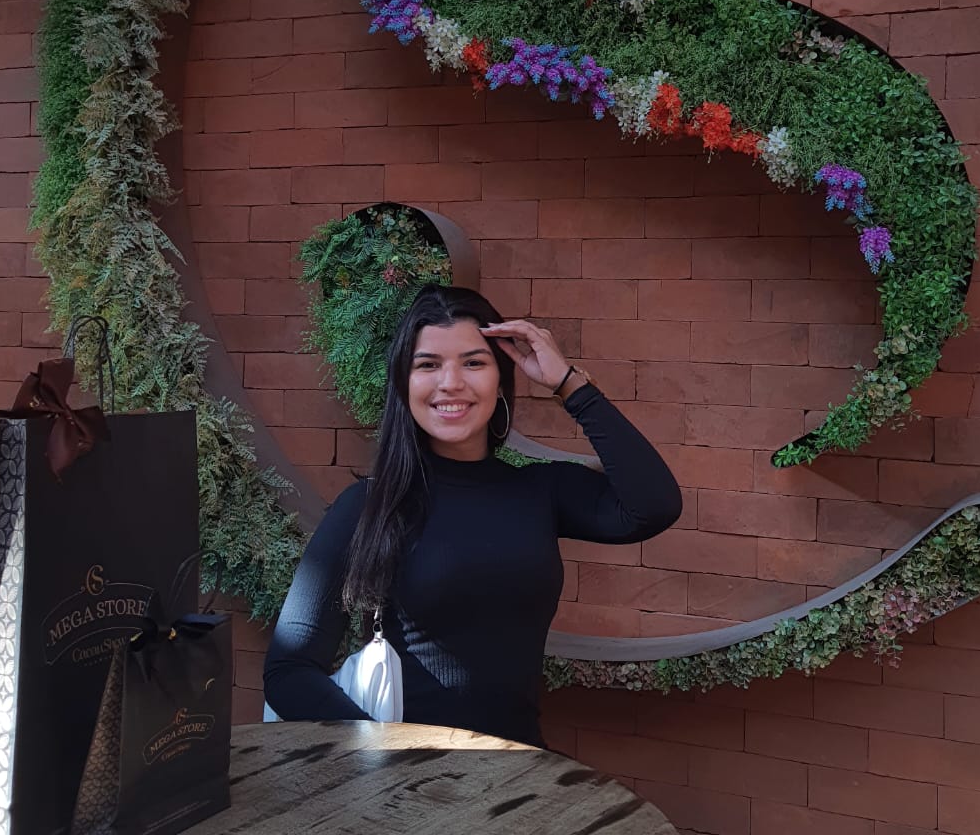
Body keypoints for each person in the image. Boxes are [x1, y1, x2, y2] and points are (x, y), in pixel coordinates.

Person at [263, 283, 683, 748]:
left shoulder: (539, 492)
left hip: (520, 769)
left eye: (473, 363)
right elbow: (290, 670)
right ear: (404, 383)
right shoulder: (369, 506)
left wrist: (569, 384)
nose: (450, 383)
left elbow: (653, 506)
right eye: (428, 364)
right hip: (407, 779)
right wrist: (381, 753)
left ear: (501, 380)